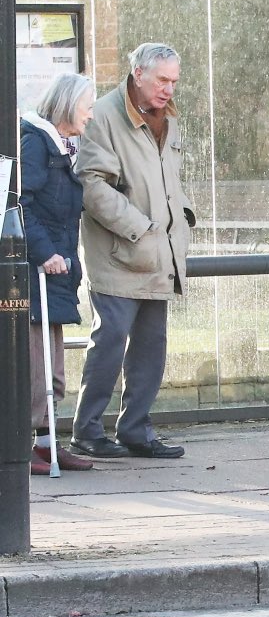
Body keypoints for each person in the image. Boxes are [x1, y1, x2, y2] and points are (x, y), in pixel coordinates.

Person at [69, 43, 195, 460]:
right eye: (162, 80)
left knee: (150, 348)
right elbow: (91, 184)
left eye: (174, 81)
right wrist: (138, 227)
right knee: (110, 342)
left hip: (160, 252)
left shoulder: (169, 117)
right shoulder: (103, 115)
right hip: (119, 254)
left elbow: (165, 181)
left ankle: (136, 430)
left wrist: (182, 219)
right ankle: (87, 431)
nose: (168, 90)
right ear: (137, 73)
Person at [19, 73, 97, 476]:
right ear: (68, 104)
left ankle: (48, 446)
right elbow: (21, 205)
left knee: (53, 368)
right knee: (38, 369)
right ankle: (30, 448)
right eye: (88, 105)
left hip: (58, 270)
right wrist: (45, 252)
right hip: (39, 270)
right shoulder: (36, 142)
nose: (91, 113)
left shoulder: (65, 146)